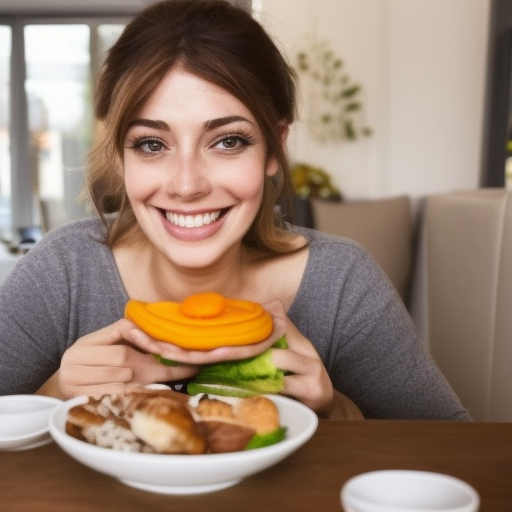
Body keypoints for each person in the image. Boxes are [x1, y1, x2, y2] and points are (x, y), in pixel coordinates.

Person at [0, 0, 471, 421]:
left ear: (273, 148)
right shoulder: (65, 270)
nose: (187, 185)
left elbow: (461, 454)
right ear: (120, 157)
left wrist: (336, 409)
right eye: (151, 144)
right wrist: (53, 394)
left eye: (228, 141)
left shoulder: (340, 280)